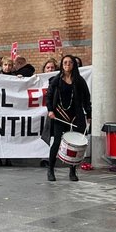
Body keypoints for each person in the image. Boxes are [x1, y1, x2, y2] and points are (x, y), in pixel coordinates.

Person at [45, 54, 91, 183]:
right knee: (57, 141)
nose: (67, 65)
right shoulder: (57, 79)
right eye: (65, 62)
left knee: (75, 144)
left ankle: (72, 171)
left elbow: (87, 99)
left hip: (75, 116)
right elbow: (48, 96)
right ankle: (51, 169)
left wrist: (89, 115)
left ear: (74, 65)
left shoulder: (79, 80)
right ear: (62, 65)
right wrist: (50, 110)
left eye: (70, 62)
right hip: (59, 115)